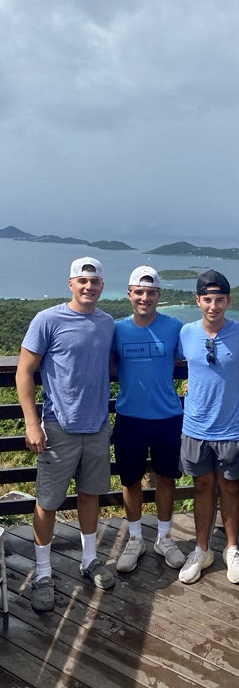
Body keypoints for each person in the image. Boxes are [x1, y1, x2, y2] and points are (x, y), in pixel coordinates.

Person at [16, 257, 115, 612]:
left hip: (98, 426)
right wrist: (31, 422)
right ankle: (43, 573)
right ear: (71, 284)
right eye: (82, 281)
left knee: (91, 495)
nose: (89, 287)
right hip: (58, 427)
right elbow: (24, 372)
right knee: (48, 501)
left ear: (102, 286)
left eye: (95, 282)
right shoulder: (47, 320)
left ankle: (89, 560)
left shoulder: (106, 323)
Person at [178, 270, 239, 585]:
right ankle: (202, 548)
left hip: (231, 426)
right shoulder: (185, 333)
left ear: (228, 300)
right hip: (195, 426)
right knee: (202, 488)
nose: (213, 305)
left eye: (219, 299)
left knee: (231, 488)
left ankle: (232, 549)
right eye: (207, 299)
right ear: (198, 301)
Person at [111, 266, 185, 573]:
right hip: (130, 417)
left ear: (159, 296)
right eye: (139, 292)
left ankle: (165, 537)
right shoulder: (116, 329)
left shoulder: (175, 327)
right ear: (129, 295)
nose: (145, 298)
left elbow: (191, 355)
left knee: (167, 478)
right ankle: (136, 537)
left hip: (168, 416)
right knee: (130, 480)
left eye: (151, 292)